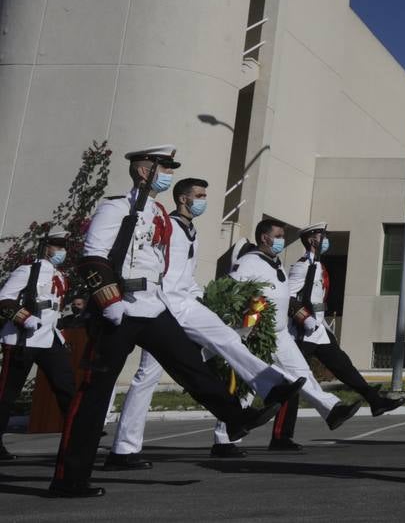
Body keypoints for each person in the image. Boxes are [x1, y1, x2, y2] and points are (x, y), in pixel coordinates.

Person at [49, 145, 299, 498]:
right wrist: (109, 302)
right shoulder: (116, 207)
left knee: (190, 365)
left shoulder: (158, 214)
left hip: (152, 306)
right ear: (142, 171)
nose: (166, 173)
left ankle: (235, 417)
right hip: (119, 309)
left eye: (169, 168)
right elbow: (92, 259)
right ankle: (68, 479)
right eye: (162, 167)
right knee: (94, 393)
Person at [106, 178, 305, 469]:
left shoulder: (190, 230)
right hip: (162, 307)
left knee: (227, 337)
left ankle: (270, 386)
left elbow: (184, 277)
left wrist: (208, 301)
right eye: (199, 195)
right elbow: (158, 267)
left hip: (185, 303)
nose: (204, 200)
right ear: (183, 199)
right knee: (147, 377)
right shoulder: (169, 225)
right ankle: (123, 450)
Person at [210, 219, 360, 456]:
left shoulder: (275, 263)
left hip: (280, 333)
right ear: (264, 238)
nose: (281, 240)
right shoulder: (249, 262)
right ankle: (224, 438)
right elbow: (231, 292)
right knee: (245, 387)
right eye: (278, 236)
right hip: (255, 333)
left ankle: (332, 410)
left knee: (302, 373)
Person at [269, 222, 405, 451]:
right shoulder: (302, 266)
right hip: (303, 333)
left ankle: (376, 402)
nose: (326, 239)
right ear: (312, 240)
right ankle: (280, 436)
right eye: (323, 236)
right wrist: (305, 318)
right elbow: (288, 298)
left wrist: (320, 323)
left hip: (319, 330)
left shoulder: (319, 265)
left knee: (344, 367)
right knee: (293, 382)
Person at [0, 229, 77, 462]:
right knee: (7, 393)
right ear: (46, 247)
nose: (61, 250)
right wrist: (24, 317)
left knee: (67, 388)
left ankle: (77, 438)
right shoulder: (27, 271)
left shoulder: (60, 276)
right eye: (57, 245)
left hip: (49, 339)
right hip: (23, 338)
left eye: (64, 246)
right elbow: (3, 299)